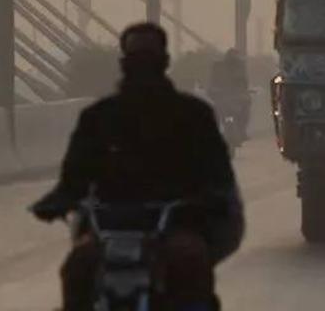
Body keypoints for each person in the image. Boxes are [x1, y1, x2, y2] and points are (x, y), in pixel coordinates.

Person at [30, 23, 243, 311]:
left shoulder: (194, 116)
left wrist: (210, 200)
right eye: (135, 60)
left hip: (175, 225)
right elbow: (74, 177)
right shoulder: (98, 118)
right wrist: (58, 200)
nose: (142, 69)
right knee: (77, 267)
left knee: (189, 261)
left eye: (148, 60)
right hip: (110, 230)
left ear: (164, 63)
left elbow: (218, 174)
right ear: (123, 64)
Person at [207, 48, 252, 141]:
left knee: (245, 107)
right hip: (222, 97)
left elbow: (244, 83)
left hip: (237, 97)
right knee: (214, 112)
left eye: (235, 60)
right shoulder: (218, 66)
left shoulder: (240, 67)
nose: (233, 62)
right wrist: (213, 90)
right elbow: (211, 81)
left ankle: (242, 130)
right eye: (231, 59)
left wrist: (244, 92)